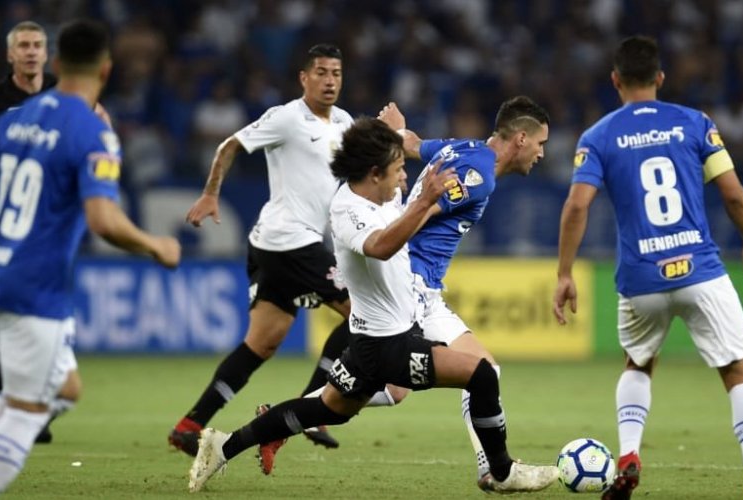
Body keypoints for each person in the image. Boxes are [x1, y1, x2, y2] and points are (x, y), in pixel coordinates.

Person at [187, 117, 558, 494]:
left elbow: (412, 154)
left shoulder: (384, 191)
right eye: (398, 171)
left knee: (329, 408)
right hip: (390, 338)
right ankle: (500, 471)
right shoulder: (349, 211)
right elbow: (382, 245)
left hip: (379, 334)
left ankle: (224, 444)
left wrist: (396, 134)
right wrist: (427, 200)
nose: (405, 179)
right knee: (481, 374)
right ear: (375, 173)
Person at [0, 20, 181, 500]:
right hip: (34, 286)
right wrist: (155, 245)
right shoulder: (93, 130)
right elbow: (103, 221)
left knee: (65, 389)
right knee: (27, 411)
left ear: (56, 63)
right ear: (105, 69)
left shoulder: (12, 119)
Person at [552, 35, 743, 500]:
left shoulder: (599, 135)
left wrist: (565, 273)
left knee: (638, 362)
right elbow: (733, 192)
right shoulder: (696, 123)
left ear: (615, 81)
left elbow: (576, 206)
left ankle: (628, 455)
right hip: (701, 269)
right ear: (660, 78)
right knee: (737, 370)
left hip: (641, 277)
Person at [170, 44, 357, 460]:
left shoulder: (345, 122)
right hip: (290, 240)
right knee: (362, 314)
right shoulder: (287, 118)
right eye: (322, 73)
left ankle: (190, 424)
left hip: (280, 245)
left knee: (262, 343)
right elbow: (229, 145)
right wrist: (210, 194)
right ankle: (314, 407)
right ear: (304, 78)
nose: (330, 81)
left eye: (337, 74)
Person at [377, 96, 551, 491]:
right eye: (541, 143)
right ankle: (296, 415)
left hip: (424, 289)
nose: (542, 153)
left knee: (474, 372)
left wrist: (397, 129)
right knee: (387, 386)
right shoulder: (480, 175)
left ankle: (490, 468)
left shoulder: (463, 148)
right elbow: (422, 212)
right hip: (412, 287)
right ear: (521, 139)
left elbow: (414, 145)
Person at [0, 20, 111, 444]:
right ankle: (9, 401)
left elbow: (100, 131)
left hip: (53, 226)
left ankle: (17, 407)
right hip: (9, 225)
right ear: (10, 54)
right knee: (10, 318)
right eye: (22, 45)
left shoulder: (66, 99)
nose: (29, 52)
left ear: (48, 55)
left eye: (37, 45)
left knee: (23, 311)